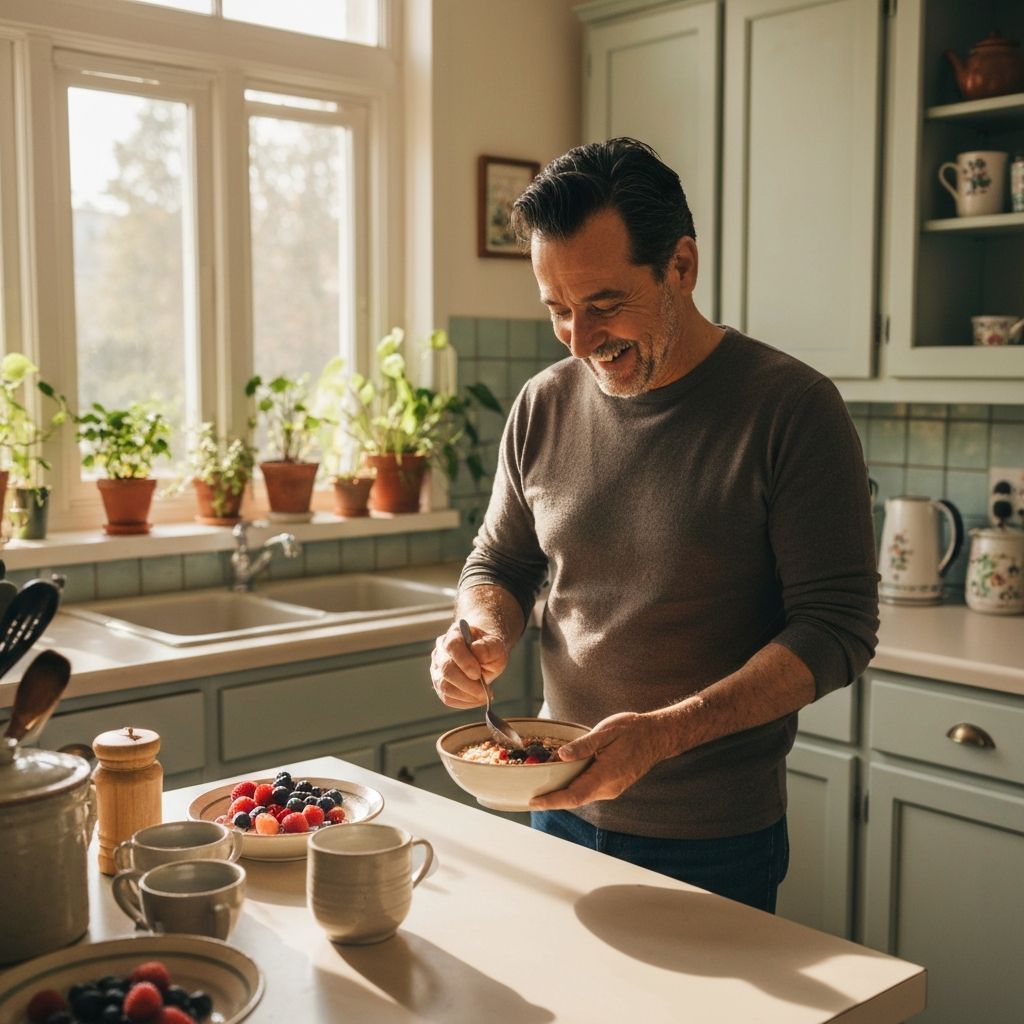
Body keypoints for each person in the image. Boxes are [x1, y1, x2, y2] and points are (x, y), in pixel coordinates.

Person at [428, 137, 878, 913]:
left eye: (603, 303)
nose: (579, 338)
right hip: (552, 809)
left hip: (713, 841)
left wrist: (663, 733)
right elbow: (498, 565)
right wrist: (482, 629)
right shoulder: (543, 404)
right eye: (557, 310)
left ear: (682, 267)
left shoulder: (792, 410)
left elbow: (838, 629)